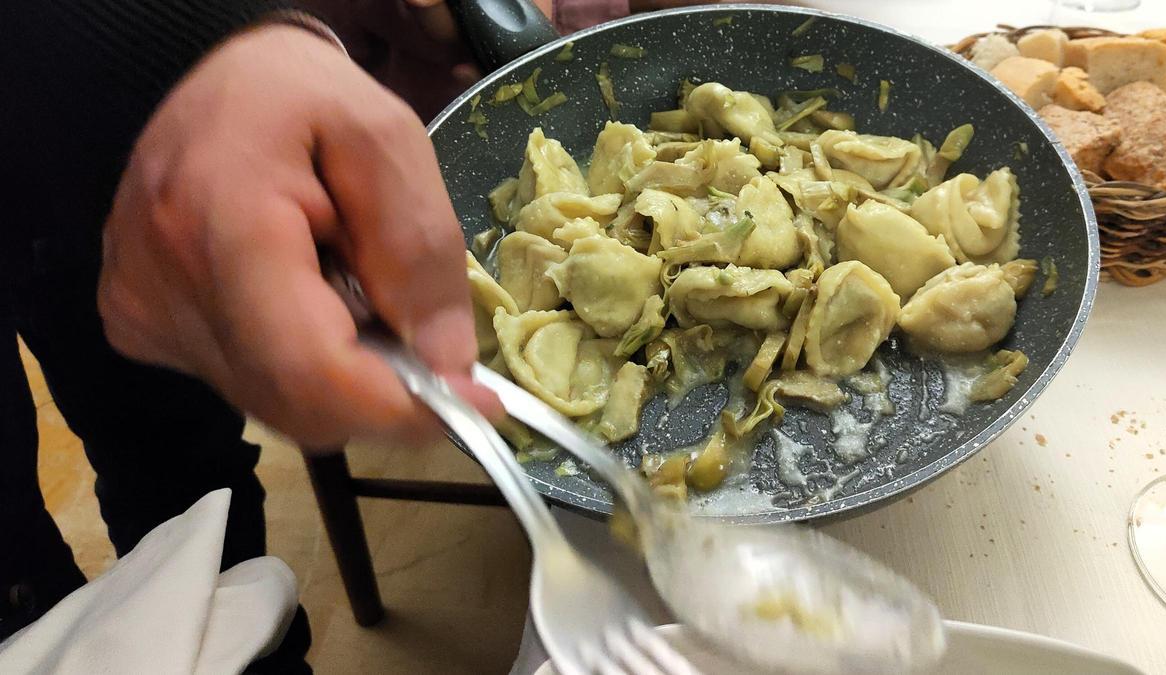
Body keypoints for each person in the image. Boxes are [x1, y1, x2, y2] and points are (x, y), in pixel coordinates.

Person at [0, 0, 716, 669]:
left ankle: (255, 654)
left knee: (174, 459)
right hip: (102, 116)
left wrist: (226, 34)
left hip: (106, 120)